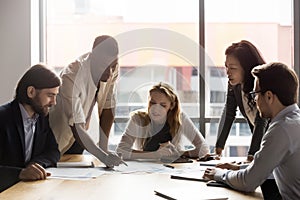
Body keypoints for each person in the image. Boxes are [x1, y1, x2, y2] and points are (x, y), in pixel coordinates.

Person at [203, 62, 300, 199]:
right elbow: (267, 168)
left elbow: (248, 182)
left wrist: (218, 174)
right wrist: (239, 168)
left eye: (255, 93)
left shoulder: (281, 129)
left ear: (269, 96)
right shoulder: (293, 121)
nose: (254, 99)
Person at [49, 35, 124, 168]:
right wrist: (103, 157)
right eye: (106, 67)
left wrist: (104, 149)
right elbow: (76, 126)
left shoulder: (112, 67)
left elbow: (108, 107)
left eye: (114, 66)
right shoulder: (72, 76)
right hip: (57, 136)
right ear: (93, 56)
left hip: (81, 137)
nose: (111, 72)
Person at [0, 64, 61, 192]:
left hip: (26, 190)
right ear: (31, 92)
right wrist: (20, 173)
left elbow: (53, 151)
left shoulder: (41, 117)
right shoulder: (3, 118)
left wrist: (36, 164)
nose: (54, 102)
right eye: (50, 95)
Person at [116, 82, 209, 160]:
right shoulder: (138, 118)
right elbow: (121, 151)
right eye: (152, 103)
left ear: (171, 106)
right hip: (144, 171)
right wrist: (155, 155)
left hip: (173, 170)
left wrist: (177, 153)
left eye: (163, 105)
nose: (156, 109)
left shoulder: (180, 118)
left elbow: (203, 148)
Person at [214, 40, 268, 162]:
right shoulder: (234, 85)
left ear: (247, 68)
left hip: (276, 142)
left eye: (232, 68)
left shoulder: (263, 83)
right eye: (226, 67)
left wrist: (251, 156)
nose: (227, 72)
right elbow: (229, 113)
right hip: (262, 148)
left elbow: (261, 122)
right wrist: (218, 149)